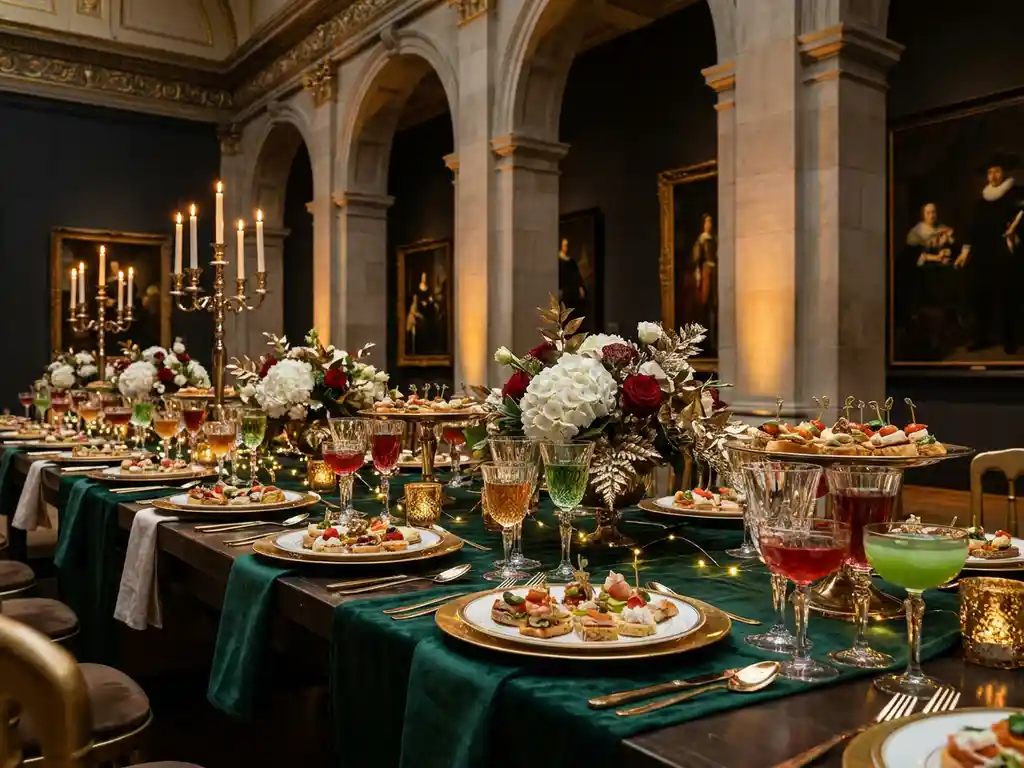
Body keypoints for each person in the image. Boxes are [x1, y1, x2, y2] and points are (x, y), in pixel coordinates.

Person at [962, 153, 1024, 354]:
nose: (993, 175)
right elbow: (973, 226)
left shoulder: (1016, 193)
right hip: (983, 254)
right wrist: (966, 250)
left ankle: (1010, 340)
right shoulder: (982, 199)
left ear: (1003, 172)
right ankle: (981, 337)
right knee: (982, 296)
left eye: (996, 171)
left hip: (1007, 252)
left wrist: (1016, 230)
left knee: (1009, 296)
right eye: (990, 172)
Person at [690, 213, 718, 352]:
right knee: (704, 304)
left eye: (710, 222)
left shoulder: (714, 240)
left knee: (714, 305)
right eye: (707, 222)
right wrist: (699, 273)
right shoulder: (701, 241)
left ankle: (714, 340)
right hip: (706, 272)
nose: (709, 225)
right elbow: (696, 260)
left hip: (715, 272)